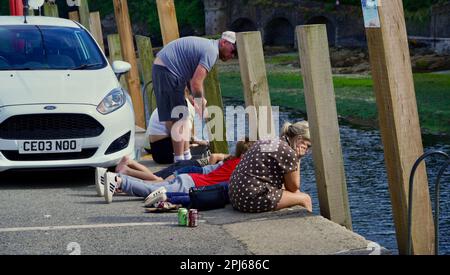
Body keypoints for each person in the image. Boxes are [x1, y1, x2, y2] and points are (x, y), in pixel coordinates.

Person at [152, 31, 237, 163]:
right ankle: (179, 161)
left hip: (165, 69)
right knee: (179, 117)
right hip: (168, 70)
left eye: (235, 54)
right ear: (223, 42)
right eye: (233, 50)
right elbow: (196, 83)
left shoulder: (209, 47)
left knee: (182, 117)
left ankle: (186, 157)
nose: (232, 55)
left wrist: (193, 96)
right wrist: (200, 104)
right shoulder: (212, 51)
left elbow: (189, 72)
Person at [96, 139, 254, 205]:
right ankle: (119, 181)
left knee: (152, 183)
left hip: (191, 177)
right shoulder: (243, 168)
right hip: (192, 183)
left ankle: (114, 178)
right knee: (151, 188)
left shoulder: (232, 161)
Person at [228, 121, 313, 213]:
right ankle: (312, 226)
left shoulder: (272, 141)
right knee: (305, 199)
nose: (307, 151)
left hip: (235, 195)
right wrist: (298, 158)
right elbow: (293, 187)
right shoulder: (288, 152)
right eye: (308, 146)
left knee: (296, 194)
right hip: (249, 199)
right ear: (299, 139)